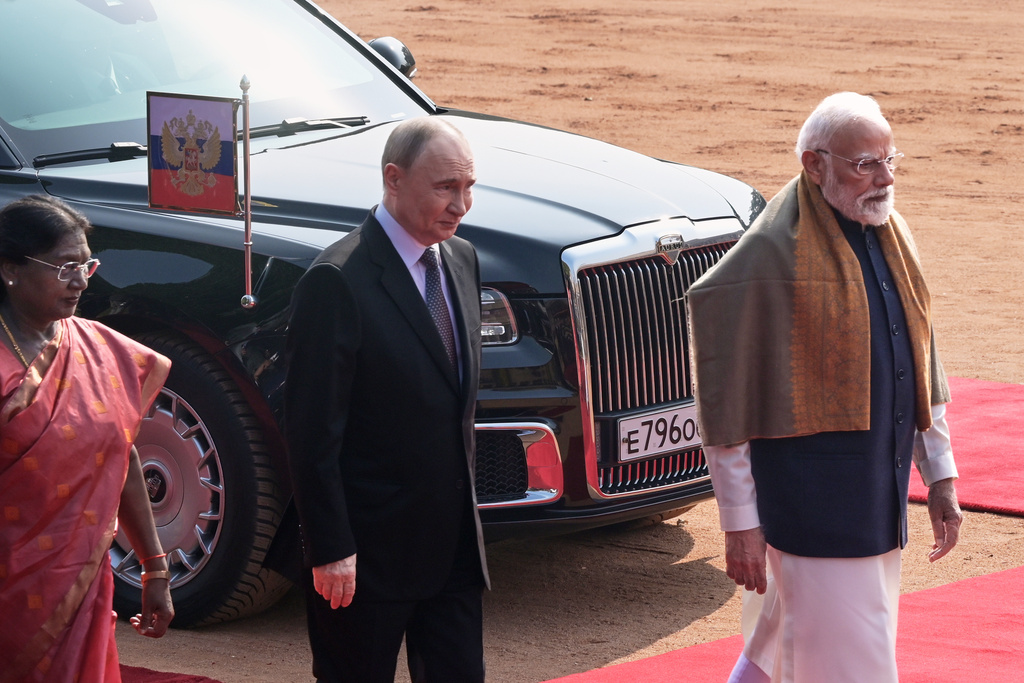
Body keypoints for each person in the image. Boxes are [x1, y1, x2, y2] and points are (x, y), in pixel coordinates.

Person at [686, 92, 963, 682]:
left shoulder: (891, 234)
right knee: (853, 667)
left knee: (777, 648)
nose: (885, 178)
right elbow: (730, 400)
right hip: (812, 511)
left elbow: (918, 362)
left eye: (889, 159)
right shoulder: (768, 258)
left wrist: (940, 475)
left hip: (878, 498)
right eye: (865, 164)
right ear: (815, 165)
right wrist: (739, 522)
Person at [284, 117, 489, 683]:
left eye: (469, 187)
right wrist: (330, 548)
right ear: (394, 179)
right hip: (364, 561)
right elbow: (311, 432)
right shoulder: (336, 281)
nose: (461, 205)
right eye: (446, 187)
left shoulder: (462, 260)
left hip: (452, 552)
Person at [0, 195, 174, 682]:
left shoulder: (101, 349)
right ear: (10, 269)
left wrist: (155, 567)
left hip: (79, 583)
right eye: (64, 268)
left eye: (86, 265)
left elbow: (121, 456)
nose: (80, 281)